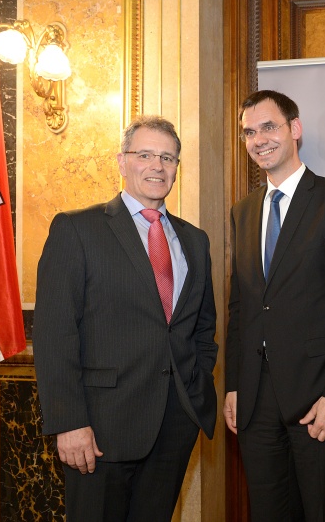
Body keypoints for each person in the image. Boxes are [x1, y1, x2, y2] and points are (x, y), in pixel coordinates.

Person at [33, 115, 219, 521]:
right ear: (122, 161)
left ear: (176, 168)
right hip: (100, 430)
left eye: (167, 158)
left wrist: (195, 386)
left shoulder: (194, 239)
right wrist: (69, 423)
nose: (157, 166)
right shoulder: (77, 229)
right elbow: (54, 335)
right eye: (145, 155)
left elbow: (203, 329)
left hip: (174, 426)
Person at [223, 90, 325, 521]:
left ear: (295, 129)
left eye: (268, 127)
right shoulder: (243, 212)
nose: (258, 140)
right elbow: (241, 308)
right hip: (256, 404)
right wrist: (234, 385)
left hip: (318, 401)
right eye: (249, 132)